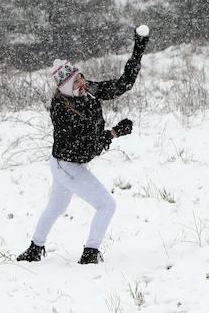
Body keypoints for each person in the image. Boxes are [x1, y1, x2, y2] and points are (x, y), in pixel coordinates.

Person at [16, 25, 151, 265]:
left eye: (80, 76)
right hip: (67, 164)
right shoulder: (64, 110)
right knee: (106, 205)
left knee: (56, 207)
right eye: (76, 80)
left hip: (65, 163)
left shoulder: (87, 91)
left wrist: (138, 51)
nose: (82, 81)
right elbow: (86, 147)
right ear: (66, 88)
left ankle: (34, 249)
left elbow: (121, 85)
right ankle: (90, 254)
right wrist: (115, 133)